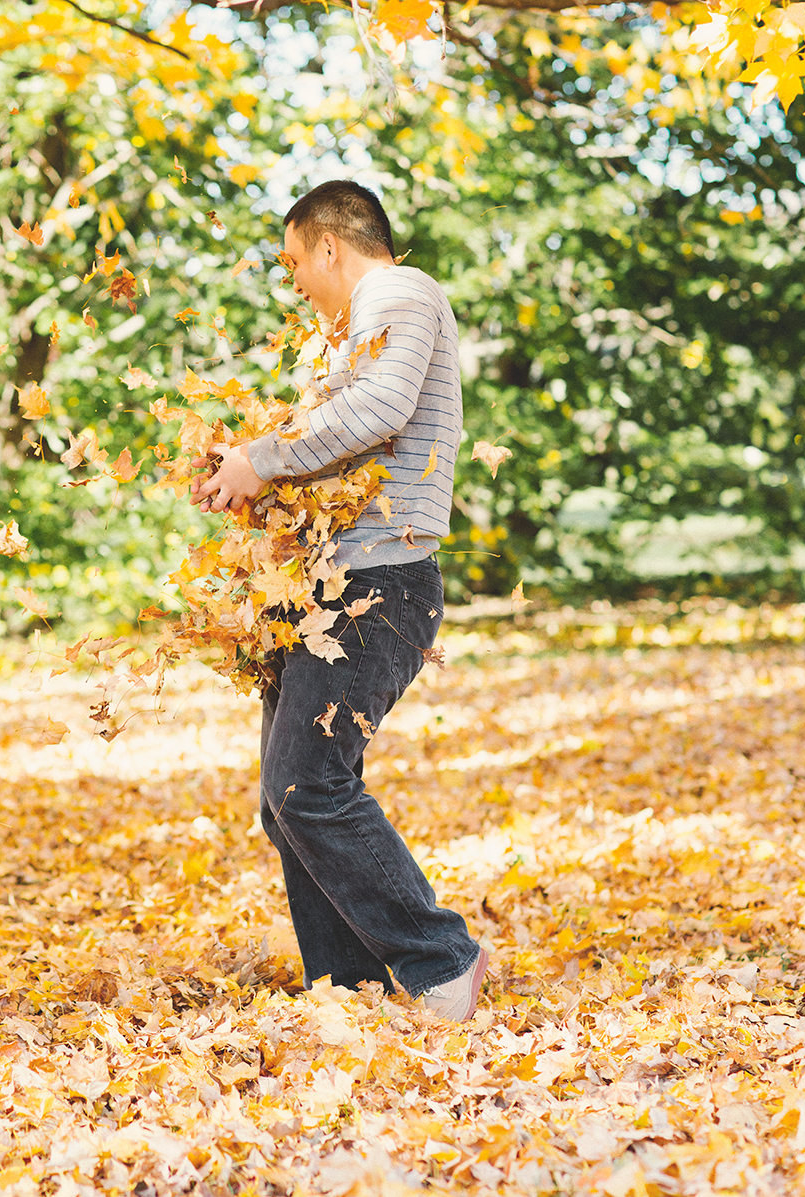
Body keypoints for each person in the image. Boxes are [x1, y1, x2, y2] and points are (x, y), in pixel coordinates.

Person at [194, 180, 488, 1019]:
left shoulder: (398, 290)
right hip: (328, 587)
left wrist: (268, 455)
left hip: (378, 586)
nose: (292, 280)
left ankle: (442, 959)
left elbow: (383, 407)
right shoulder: (345, 330)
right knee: (285, 800)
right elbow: (337, 447)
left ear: (330, 245)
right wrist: (242, 470)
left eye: (294, 261)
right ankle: (348, 987)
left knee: (307, 785)